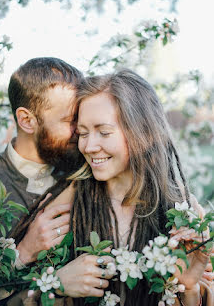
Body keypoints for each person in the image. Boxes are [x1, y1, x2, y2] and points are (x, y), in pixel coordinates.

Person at [13, 69, 213, 305]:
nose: (89, 146)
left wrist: (188, 289)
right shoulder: (67, 205)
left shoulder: (184, 214)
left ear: (143, 132)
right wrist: (56, 284)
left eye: (104, 132)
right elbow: (12, 293)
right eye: (83, 134)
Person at [0, 57, 84, 265]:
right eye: (70, 120)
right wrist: (25, 251)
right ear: (27, 121)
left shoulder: (88, 171)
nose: (81, 129)